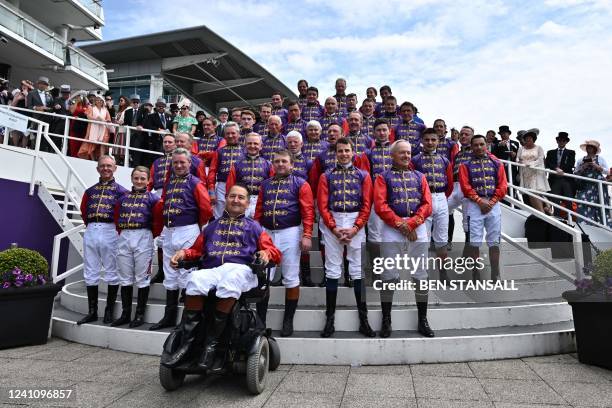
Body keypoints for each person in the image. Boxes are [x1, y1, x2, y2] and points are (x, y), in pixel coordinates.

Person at [162, 183, 281, 370]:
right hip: (214, 269)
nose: (236, 200)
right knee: (195, 279)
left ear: (247, 203)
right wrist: (184, 253)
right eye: (232, 196)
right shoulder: (212, 227)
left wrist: (266, 254)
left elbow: (273, 251)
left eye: (241, 197)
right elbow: (196, 250)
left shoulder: (255, 228)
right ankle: (188, 344)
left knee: (230, 280)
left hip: (241, 270)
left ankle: (212, 345)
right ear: (226, 199)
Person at [373, 140, 433, 337]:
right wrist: (401, 225)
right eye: (402, 153)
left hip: (417, 227)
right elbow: (380, 205)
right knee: (388, 274)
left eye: (408, 153)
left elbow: (427, 204)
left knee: (421, 274)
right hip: (393, 229)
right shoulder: (383, 177)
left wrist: (413, 223)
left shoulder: (420, 176)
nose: (406, 156)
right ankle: (386, 319)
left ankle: (423, 320)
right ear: (392, 155)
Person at [317, 137, 375, 338]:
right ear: (336, 153)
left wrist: (356, 227)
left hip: (354, 220)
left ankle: (364, 319)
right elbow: (322, 205)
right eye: (340, 151)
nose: (343, 154)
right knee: (332, 270)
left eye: (347, 150)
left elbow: (367, 204)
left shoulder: (363, 175)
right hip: (332, 220)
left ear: (353, 152)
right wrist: (333, 228)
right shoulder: (326, 175)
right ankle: (329, 318)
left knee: (357, 269)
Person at [150, 148, 213, 331]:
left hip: (188, 230)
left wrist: (196, 227)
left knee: (187, 274)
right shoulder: (169, 183)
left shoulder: (196, 183)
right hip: (169, 231)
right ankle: (169, 317)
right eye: (175, 162)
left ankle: (187, 321)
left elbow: (206, 209)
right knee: (169, 273)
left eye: (182, 162)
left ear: (189, 163)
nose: (178, 165)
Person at [254, 150, 314, 336]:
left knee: (290, 277)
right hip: (267, 234)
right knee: (263, 277)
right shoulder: (265, 184)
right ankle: (260, 321)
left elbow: (308, 211)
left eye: (284, 161)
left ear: (291, 164)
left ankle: (288, 320)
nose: (280, 164)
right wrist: (255, 233)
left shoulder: (301, 184)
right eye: (277, 161)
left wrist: (307, 234)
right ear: (273, 164)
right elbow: (258, 210)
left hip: (290, 232)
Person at [77, 156, 129, 325]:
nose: (106, 168)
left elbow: (124, 214)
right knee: (90, 270)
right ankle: (92, 311)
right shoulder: (90, 191)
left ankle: (109, 310)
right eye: (102, 166)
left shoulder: (121, 191)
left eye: (109, 166)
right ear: (98, 168)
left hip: (110, 230)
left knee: (111, 270)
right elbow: (84, 211)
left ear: (115, 168)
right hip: (92, 229)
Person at [113, 166, 162, 327]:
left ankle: (139, 315)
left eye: (142, 178)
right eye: (136, 178)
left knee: (142, 277)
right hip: (125, 236)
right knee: (125, 276)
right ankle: (125, 314)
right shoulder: (123, 197)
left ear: (148, 180)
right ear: (132, 178)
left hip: (144, 236)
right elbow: (116, 216)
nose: (139, 181)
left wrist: (149, 235)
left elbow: (158, 221)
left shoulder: (153, 198)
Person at [459, 135, 507, 281]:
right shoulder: (465, 165)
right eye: (476, 145)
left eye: (481, 144)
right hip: (474, 206)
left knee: (494, 240)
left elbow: (503, 185)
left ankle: (495, 273)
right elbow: (465, 187)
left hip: (493, 205)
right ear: (471, 147)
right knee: (474, 241)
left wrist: (491, 202)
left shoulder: (496, 163)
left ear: (486, 145)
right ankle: (476, 272)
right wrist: (479, 201)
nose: (479, 147)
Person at [411, 128, 453, 281]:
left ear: (438, 141)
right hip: (423, 200)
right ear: (422, 141)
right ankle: (422, 274)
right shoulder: (415, 160)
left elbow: (449, 184)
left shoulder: (444, 160)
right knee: (423, 239)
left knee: (442, 238)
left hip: (441, 197)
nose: (430, 142)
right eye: (427, 139)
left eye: (433, 140)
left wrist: (441, 197)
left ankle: (443, 273)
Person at [226, 133, 273, 217]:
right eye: (249, 143)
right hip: (241, 200)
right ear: (245, 145)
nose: (252, 146)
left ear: (261, 146)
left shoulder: (268, 164)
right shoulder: (237, 164)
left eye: (255, 144)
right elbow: (230, 184)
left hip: (261, 200)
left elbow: (272, 185)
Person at [208, 122, 246, 219]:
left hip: (240, 186)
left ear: (238, 134)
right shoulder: (219, 151)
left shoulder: (245, 151)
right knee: (220, 216)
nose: (230, 136)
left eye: (233, 133)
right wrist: (211, 191)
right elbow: (212, 172)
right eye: (227, 133)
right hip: (222, 187)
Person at [574, 140, 611, 226]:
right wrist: (583, 167)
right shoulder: (581, 160)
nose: (588, 148)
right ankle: (584, 224)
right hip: (585, 184)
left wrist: (596, 166)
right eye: (588, 147)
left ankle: (602, 224)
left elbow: (608, 172)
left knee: (600, 203)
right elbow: (575, 173)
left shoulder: (600, 159)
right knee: (583, 202)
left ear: (594, 149)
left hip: (598, 186)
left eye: (590, 147)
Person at [516, 128, 551, 213]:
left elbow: (540, 159)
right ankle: (543, 210)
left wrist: (531, 164)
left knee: (534, 193)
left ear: (533, 139)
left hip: (535, 172)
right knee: (530, 194)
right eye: (526, 138)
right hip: (525, 173)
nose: (528, 140)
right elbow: (517, 159)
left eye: (530, 138)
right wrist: (521, 162)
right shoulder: (521, 149)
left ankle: (542, 211)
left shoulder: (539, 148)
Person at [545, 132, 576, 214]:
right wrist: (556, 169)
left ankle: (570, 218)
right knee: (555, 199)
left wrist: (561, 170)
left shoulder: (571, 152)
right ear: (557, 141)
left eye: (563, 140)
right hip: (554, 179)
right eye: (560, 140)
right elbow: (548, 163)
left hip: (566, 179)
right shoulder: (550, 152)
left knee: (568, 199)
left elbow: (571, 164)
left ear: (566, 142)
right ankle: (557, 216)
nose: (561, 142)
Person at [78, 93, 112, 161]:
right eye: (97, 100)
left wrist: (105, 120)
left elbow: (109, 119)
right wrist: (97, 119)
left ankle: (101, 158)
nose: (99, 101)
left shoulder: (105, 109)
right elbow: (88, 117)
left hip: (103, 129)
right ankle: (93, 159)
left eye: (100, 100)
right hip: (93, 127)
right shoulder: (91, 108)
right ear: (95, 101)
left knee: (103, 143)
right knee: (92, 144)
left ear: (103, 101)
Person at [142, 98, 172, 167]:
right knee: (157, 158)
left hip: (167, 141)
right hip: (156, 141)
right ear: (156, 106)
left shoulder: (169, 116)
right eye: (159, 105)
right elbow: (148, 126)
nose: (161, 107)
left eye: (163, 106)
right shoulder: (151, 116)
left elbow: (171, 127)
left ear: (165, 107)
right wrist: (158, 130)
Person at [112, 95, 130, 163]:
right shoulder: (120, 109)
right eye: (119, 101)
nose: (120, 102)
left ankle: (122, 160)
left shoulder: (128, 109)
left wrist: (119, 122)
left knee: (122, 144)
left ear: (126, 101)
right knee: (117, 145)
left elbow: (126, 120)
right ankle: (118, 161)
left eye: (121, 100)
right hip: (117, 129)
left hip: (123, 129)